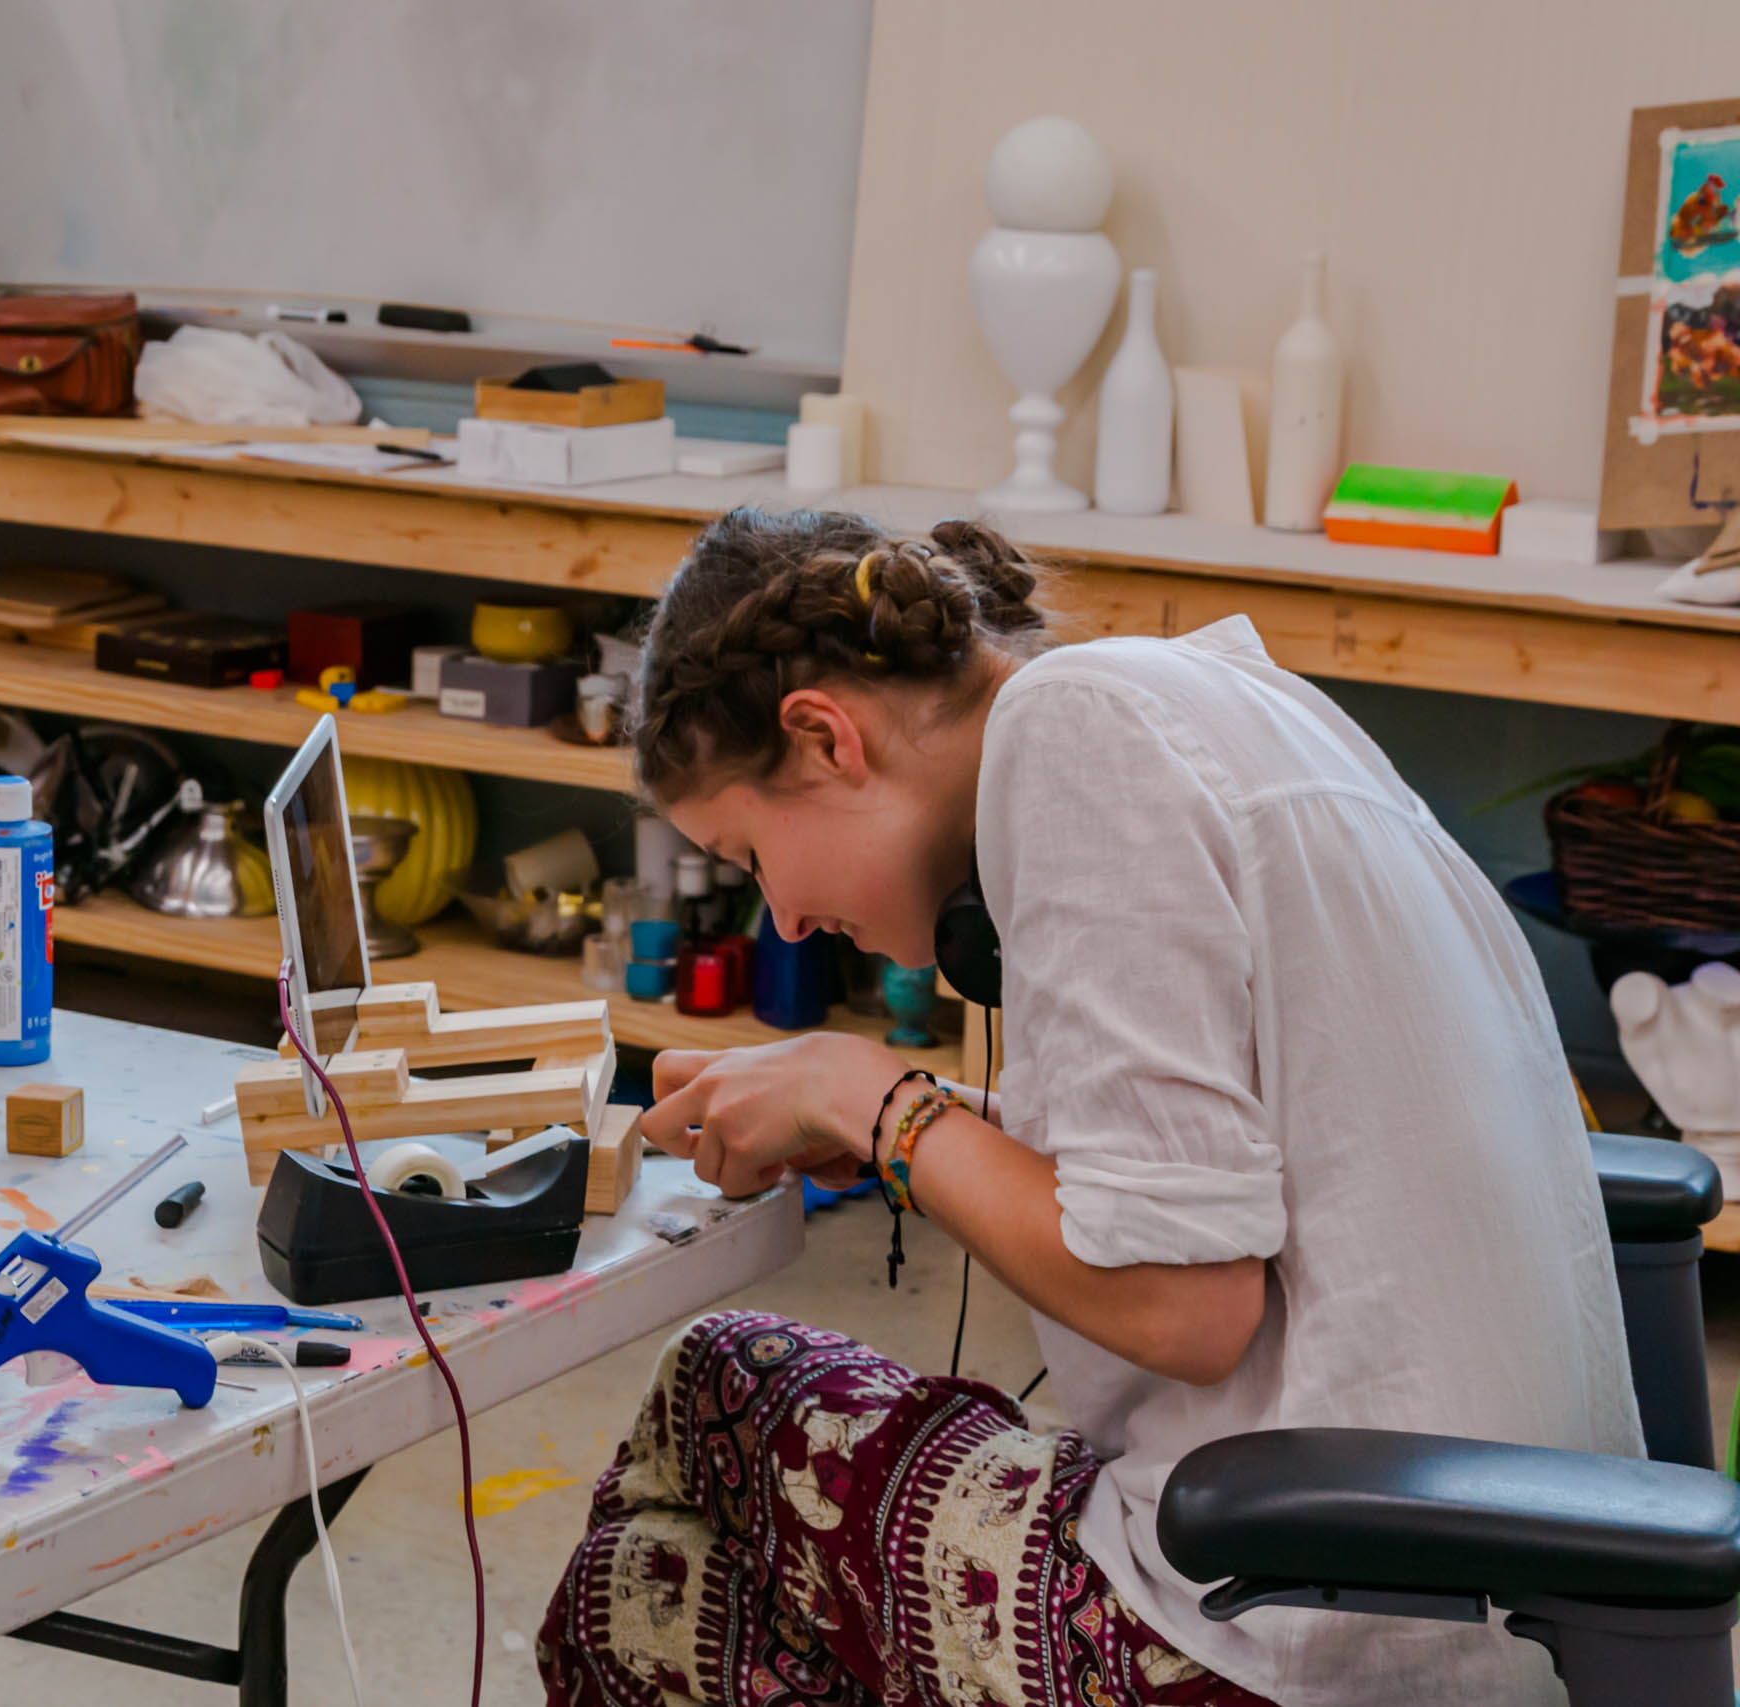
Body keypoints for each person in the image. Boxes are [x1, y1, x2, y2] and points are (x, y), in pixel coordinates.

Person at [538, 509, 1639, 1707]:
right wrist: (911, 1112)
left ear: (823, 738)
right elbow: (1195, 1166)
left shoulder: (1071, 742)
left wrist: (870, 1098)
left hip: (1305, 1627)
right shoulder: (1214, 695)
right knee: (658, 1588)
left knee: (721, 1379)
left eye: (751, 855)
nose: (784, 920)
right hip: (1492, 1578)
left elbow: (1182, 1304)